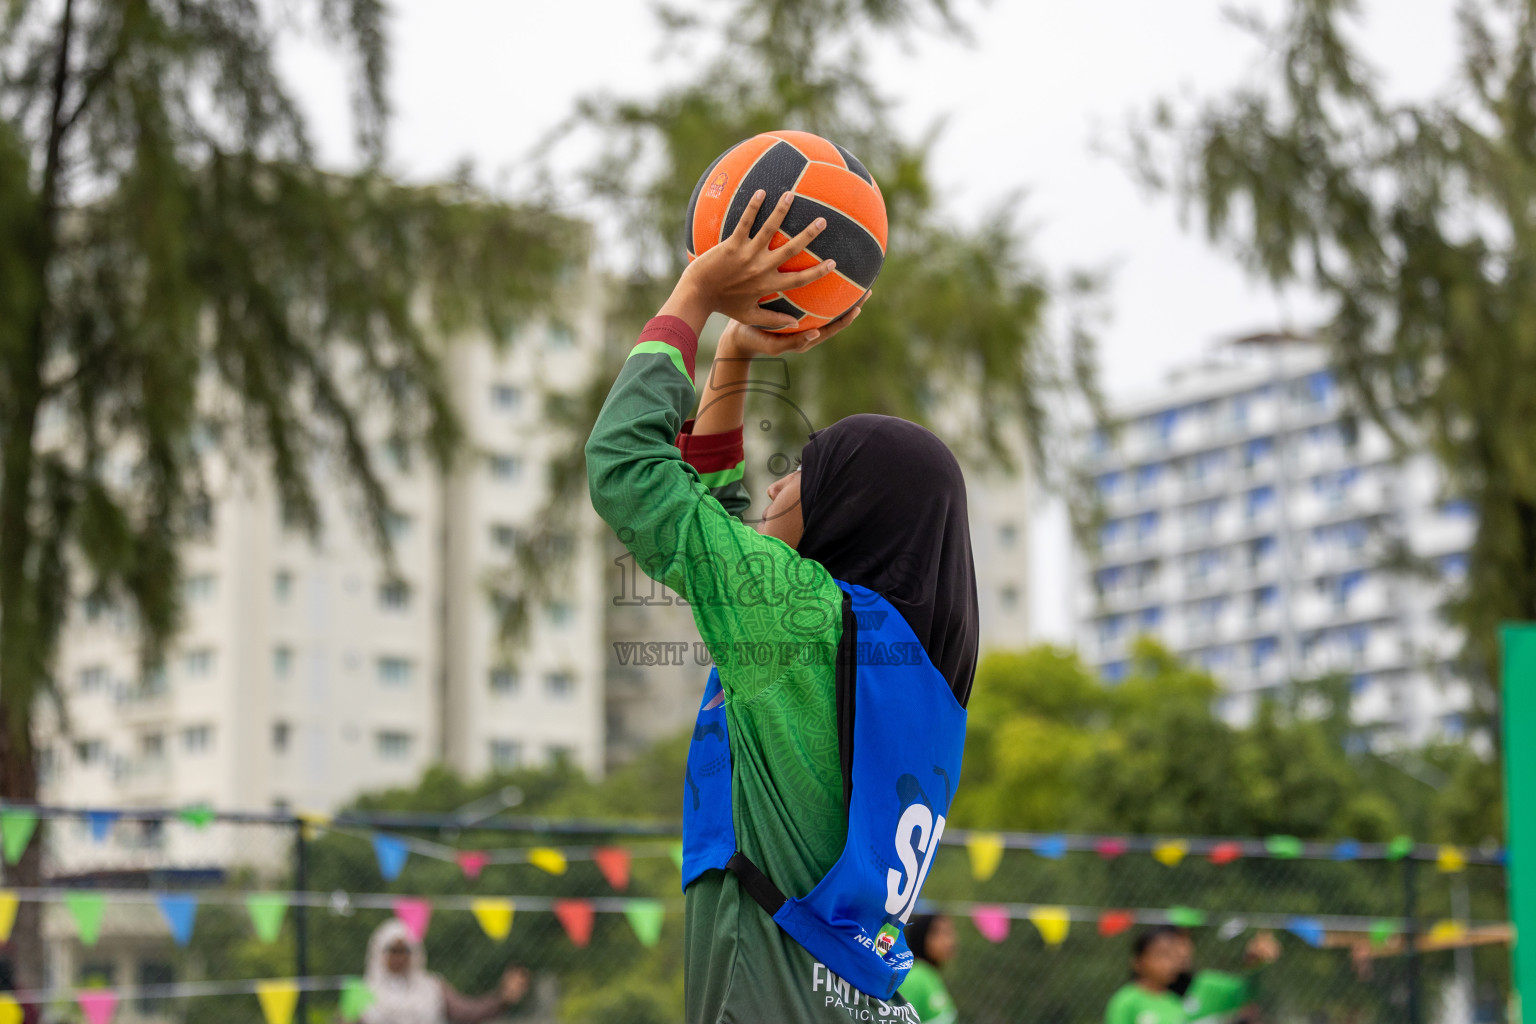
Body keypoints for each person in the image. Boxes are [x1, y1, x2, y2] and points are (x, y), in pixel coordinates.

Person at [586, 188, 978, 1024]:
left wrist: (694, 296)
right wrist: (733, 361)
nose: (780, 479)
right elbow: (725, 530)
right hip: (857, 1001)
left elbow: (631, 471)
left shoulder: (801, 619)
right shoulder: (912, 672)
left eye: (805, 464)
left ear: (848, 509)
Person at [359, 919, 529, 1024]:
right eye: (393, 950)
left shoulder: (432, 987)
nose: (399, 957)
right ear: (379, 952)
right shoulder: (361, 991)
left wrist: (502, 999)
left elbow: (467, 1013)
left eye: (405, 951)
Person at [1104, 925, 1281, 1024]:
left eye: (1174, 953)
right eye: (1162, 955)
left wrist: (1255, 964)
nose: (1174, 959)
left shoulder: (1175, 1001)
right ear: (1138, 961)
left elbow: (1246, 992)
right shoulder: (1126, 1001)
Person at [898, 914, 960, 1024]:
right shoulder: (914, 978)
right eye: (941, 933)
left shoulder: (930, 974)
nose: (950, 941)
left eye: (950, 933)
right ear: (921, 936)